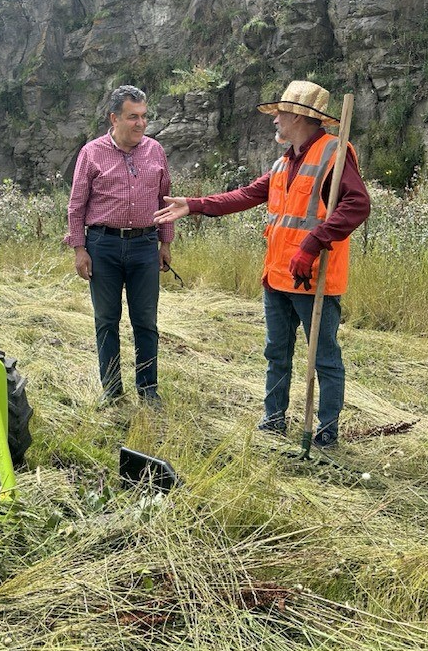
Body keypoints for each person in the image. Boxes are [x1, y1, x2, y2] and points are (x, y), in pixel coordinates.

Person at [154, 79, 370, 448]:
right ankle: (273, 421)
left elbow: (357, 204)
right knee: (276, 353)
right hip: (277, 276)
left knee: (324, 359)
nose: (275, 121)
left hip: (311, 278)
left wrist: (314, 244)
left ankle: (327, 433)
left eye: (280, 113)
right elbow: (246, 195)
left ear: (300, 117)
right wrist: (194, 204)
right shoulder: (284, 162)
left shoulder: (333, 153)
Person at [65, 85, 174, 406]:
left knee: (145, 321)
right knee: (107, 321)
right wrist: (79, 248)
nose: (141, 124)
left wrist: (165, 242)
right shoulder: (91, 153)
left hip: (144, 246)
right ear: (114, 118)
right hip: (102, 246)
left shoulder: (155, 151)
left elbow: (165, 199)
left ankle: (148, 390)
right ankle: (112, 392)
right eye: (132, 117)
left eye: (144, 116)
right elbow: (76, 205)